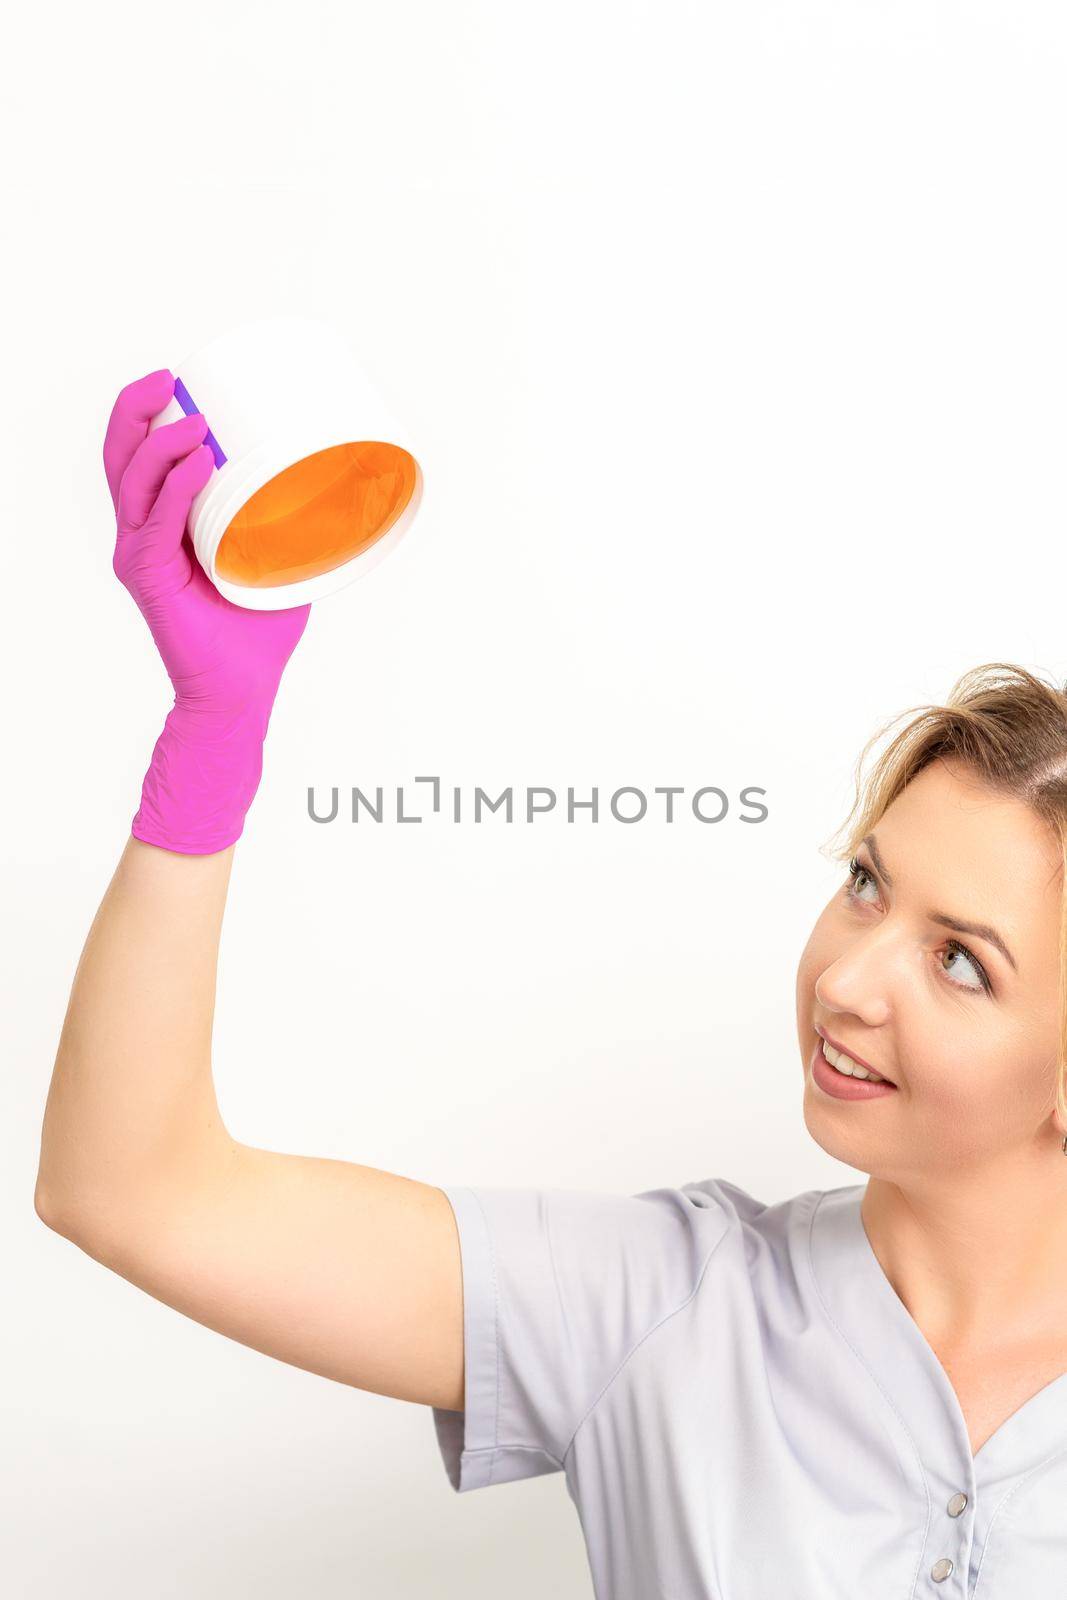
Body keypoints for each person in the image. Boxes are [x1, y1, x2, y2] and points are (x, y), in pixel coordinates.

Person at [34, 369, 1067, 1598]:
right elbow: (131, 1190)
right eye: (861, 882)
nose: (845, 978)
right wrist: (211, 737)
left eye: (958, 960)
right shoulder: (653, 1307)